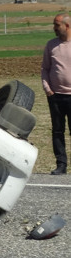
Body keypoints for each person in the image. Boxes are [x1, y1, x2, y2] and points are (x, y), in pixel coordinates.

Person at [41, 13, 71, 175]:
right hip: (55, 96)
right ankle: (61, 165)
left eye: (56, 25)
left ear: (66, 26)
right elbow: (45, 68)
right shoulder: (51, 45)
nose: (54, 28)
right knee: (57, 131)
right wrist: (47, 89)